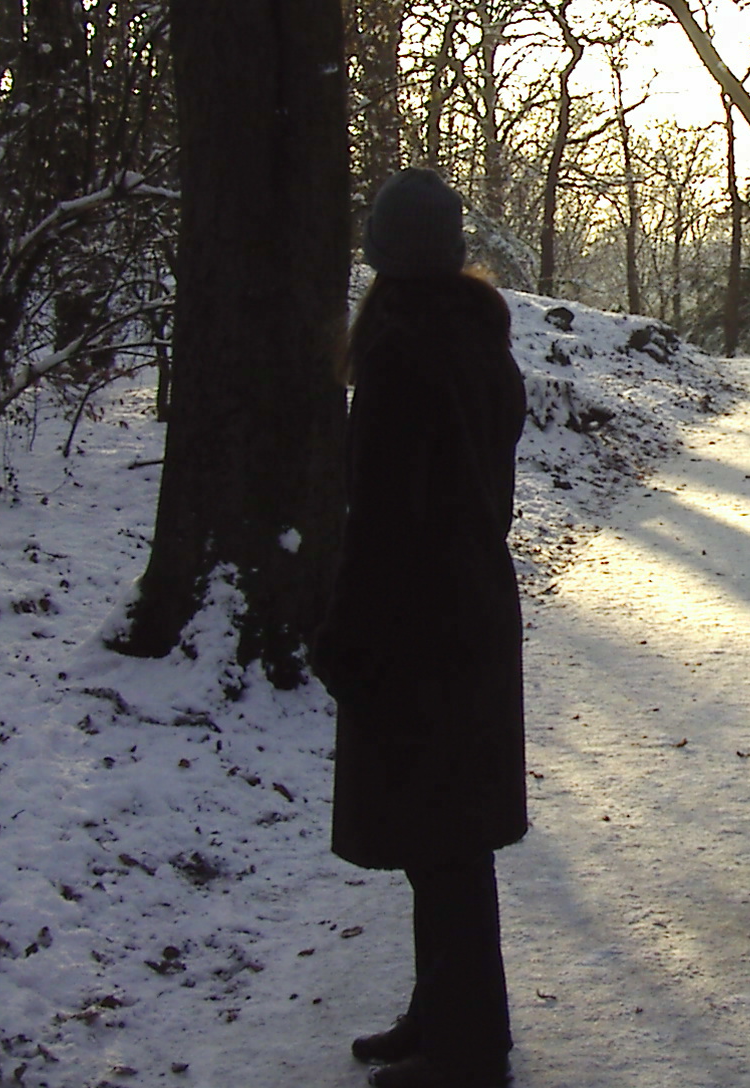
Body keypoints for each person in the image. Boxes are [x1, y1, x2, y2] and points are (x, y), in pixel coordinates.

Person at [311, 168, 529, 1088]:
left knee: (439, 841)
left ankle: (468, 1046)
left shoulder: (405, 351)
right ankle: (444, 1013)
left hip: (421, 625)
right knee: (448, 840)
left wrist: (345, 638)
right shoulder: (478, 340)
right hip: (469, 611)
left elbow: (385, 520)